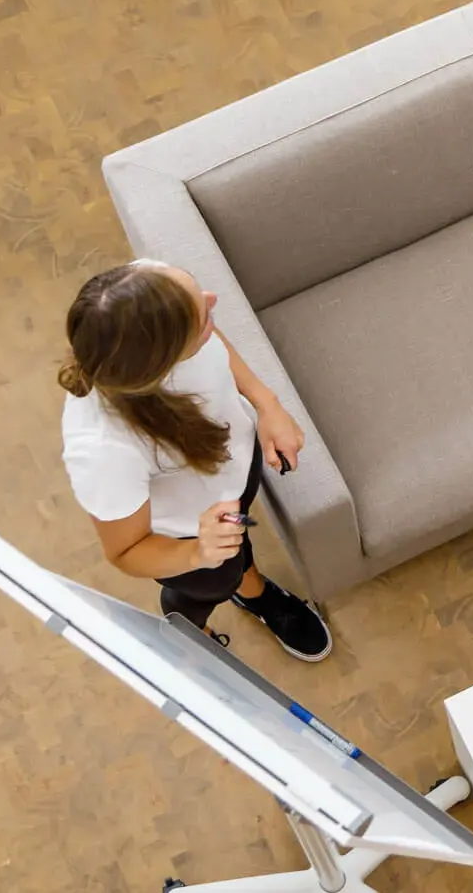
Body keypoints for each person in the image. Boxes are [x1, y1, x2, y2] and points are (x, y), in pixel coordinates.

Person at [59, 260, 332, 661]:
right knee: (212, 583)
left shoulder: (146, 290)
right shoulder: (103, 449)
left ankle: (251, 588)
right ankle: (190, 623)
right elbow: (125, 551)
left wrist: (267, 404)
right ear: (164, 356)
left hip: (232, 473)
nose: (213, 302)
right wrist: (198, 553)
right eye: (200, 315)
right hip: (184, 539)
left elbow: (210, 334)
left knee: (237, 552)